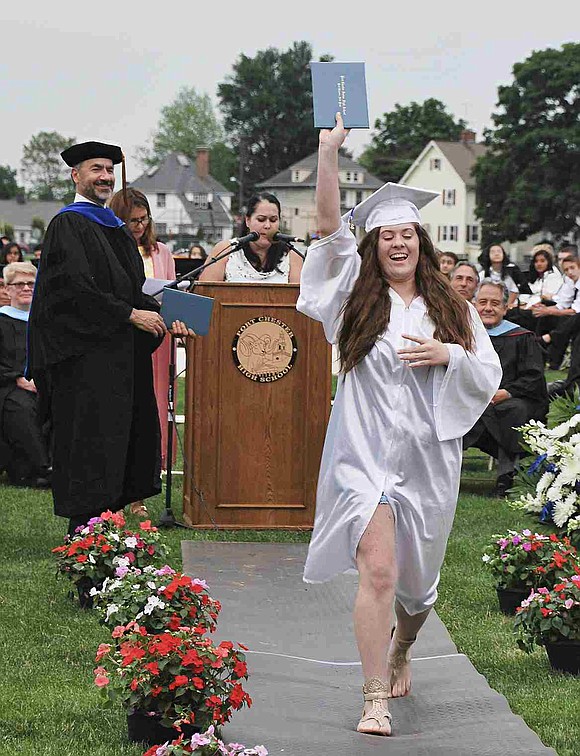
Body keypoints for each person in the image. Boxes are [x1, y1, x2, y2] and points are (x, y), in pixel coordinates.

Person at [296, 114, 501, 737]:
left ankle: (403, 646)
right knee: (378, 572)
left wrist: (451, 355)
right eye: (387, 235)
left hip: (426, 461)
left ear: (422, 243)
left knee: (416, 589)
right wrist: (328, 153)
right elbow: (329, 229)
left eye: (408, 233)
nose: (398, 243)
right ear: (375, 245)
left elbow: (486, 373)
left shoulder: (452, 306)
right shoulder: (351, 297)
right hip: (363, 459)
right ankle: (373, 696)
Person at [27, 141, 192, 536]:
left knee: (120, 450)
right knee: (90, 454)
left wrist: (167, 316)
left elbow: (132, 289)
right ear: (76, 175)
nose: (104, 176)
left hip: (118, 366)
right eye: (95, 169)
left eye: (108, 170)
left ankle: (112, 539)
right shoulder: (68, 224)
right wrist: (129, 314)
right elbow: (73, 291)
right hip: (84, 368)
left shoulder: (115, 229)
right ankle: (84, 544)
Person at [109, 187, 181, 514]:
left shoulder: (162, 252)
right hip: (125, 341)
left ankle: (142, 490)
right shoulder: (110, 249)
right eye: (131, 220)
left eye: (143, 219)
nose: (138, 226)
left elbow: (173, 292)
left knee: (152, 411)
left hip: (158, 339)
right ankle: (117, 493)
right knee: (125, 413)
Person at [464, 280, 548, 496]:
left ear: (505, 307)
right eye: (482, 302)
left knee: (513, 411)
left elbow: (534, 377)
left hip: (511, 398)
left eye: (494, 303)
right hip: (471, 397)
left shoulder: (521, 337)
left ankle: (506, 476)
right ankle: (443, 473)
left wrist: (507, 392)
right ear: (473, 304)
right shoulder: (463, 335)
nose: (488, 308)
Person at [0, 262, 51, 487]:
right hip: (8, 385)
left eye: (31, 283)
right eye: (19, 284)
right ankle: (40, 468)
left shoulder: (47, 322)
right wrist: (18, 378)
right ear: (7, 288)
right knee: (20, 407)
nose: (26, 288)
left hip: (46, 383)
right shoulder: (1, 320)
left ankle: (61, 466)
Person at [198, 192, 303, 283]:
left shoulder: (292, 256)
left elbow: (298, 300)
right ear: (248, 221)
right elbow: (205, 294)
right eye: (261, 219)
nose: (267, 226)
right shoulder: (225, 250)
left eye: (273, 220)